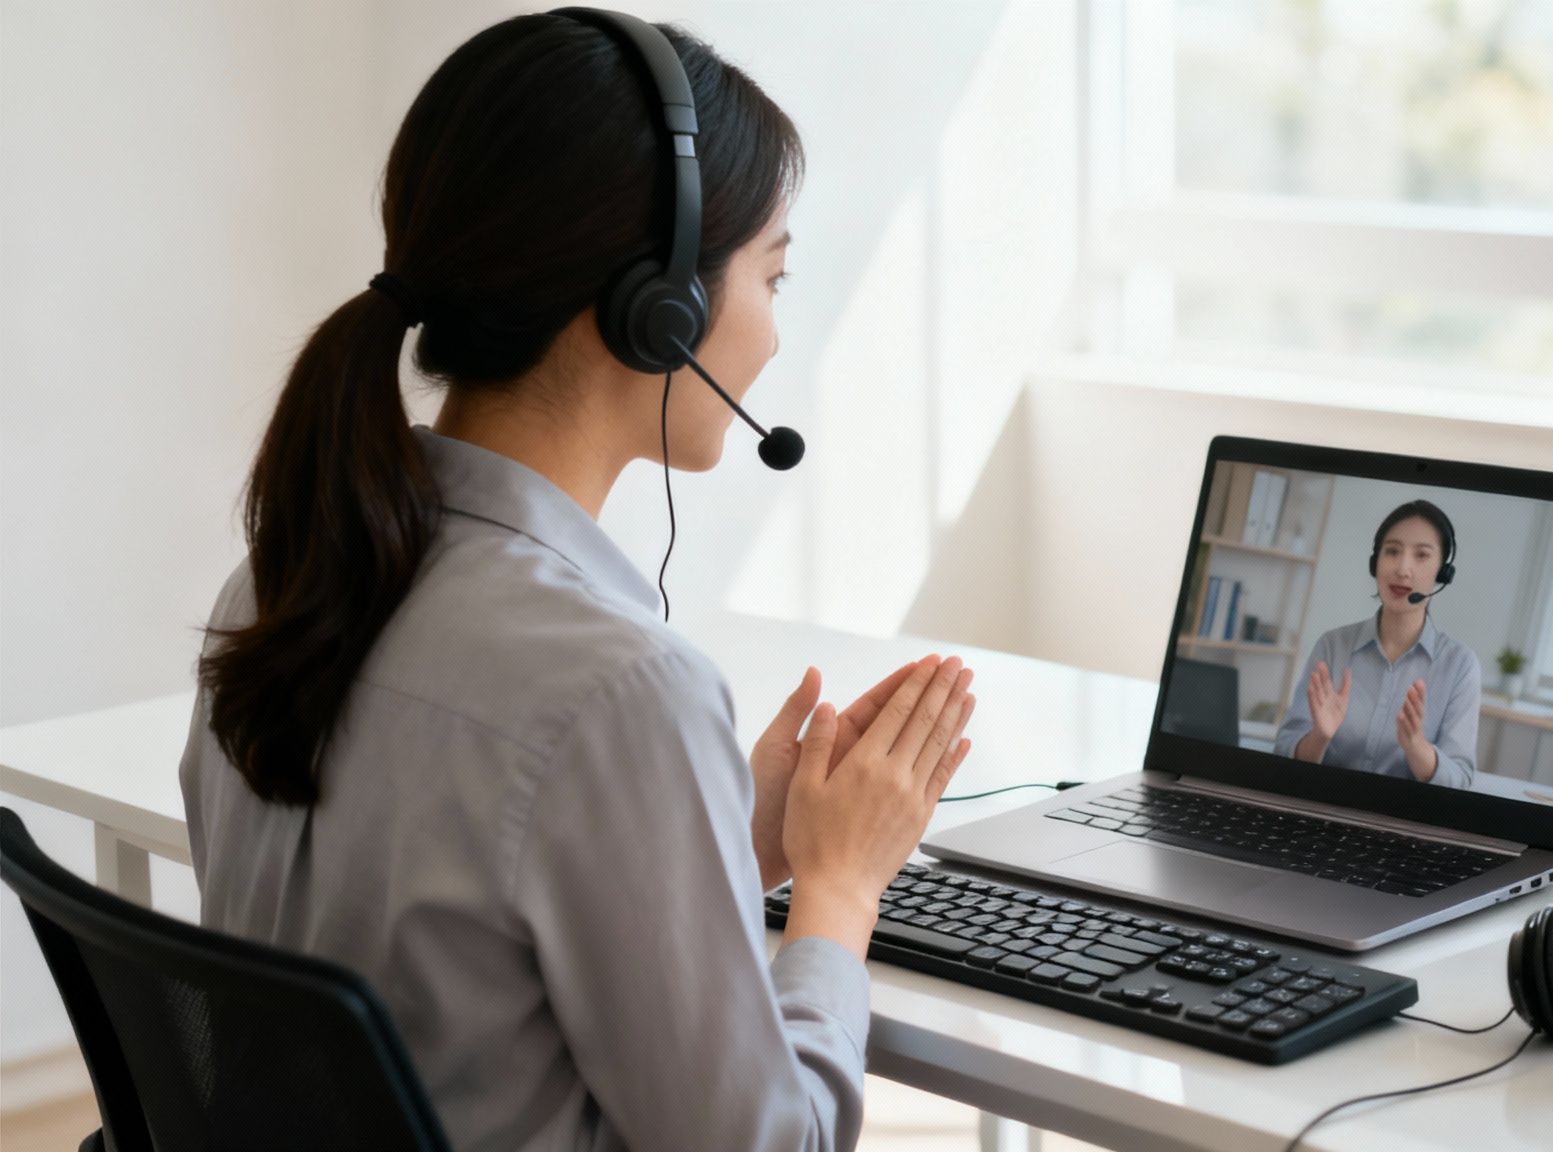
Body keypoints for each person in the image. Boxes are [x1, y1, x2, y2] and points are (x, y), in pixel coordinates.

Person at [177, 13, 974, 1150]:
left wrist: (724, 840)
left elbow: (433, 936)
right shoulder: (615, 691)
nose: (773, 335)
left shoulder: (273, 586)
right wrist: (842, 887)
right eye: (773, 275)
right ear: (661, 312)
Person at [1273, 500, 1480, 787]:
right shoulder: (1333, 646)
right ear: (1376, 563)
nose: (1403, 569)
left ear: (1442, 573)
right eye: (1392, 551)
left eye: (1421, 555)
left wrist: (1416, 747)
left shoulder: (1460, 665)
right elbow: (1284, 749)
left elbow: (1460, 780)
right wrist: (1319, 735)